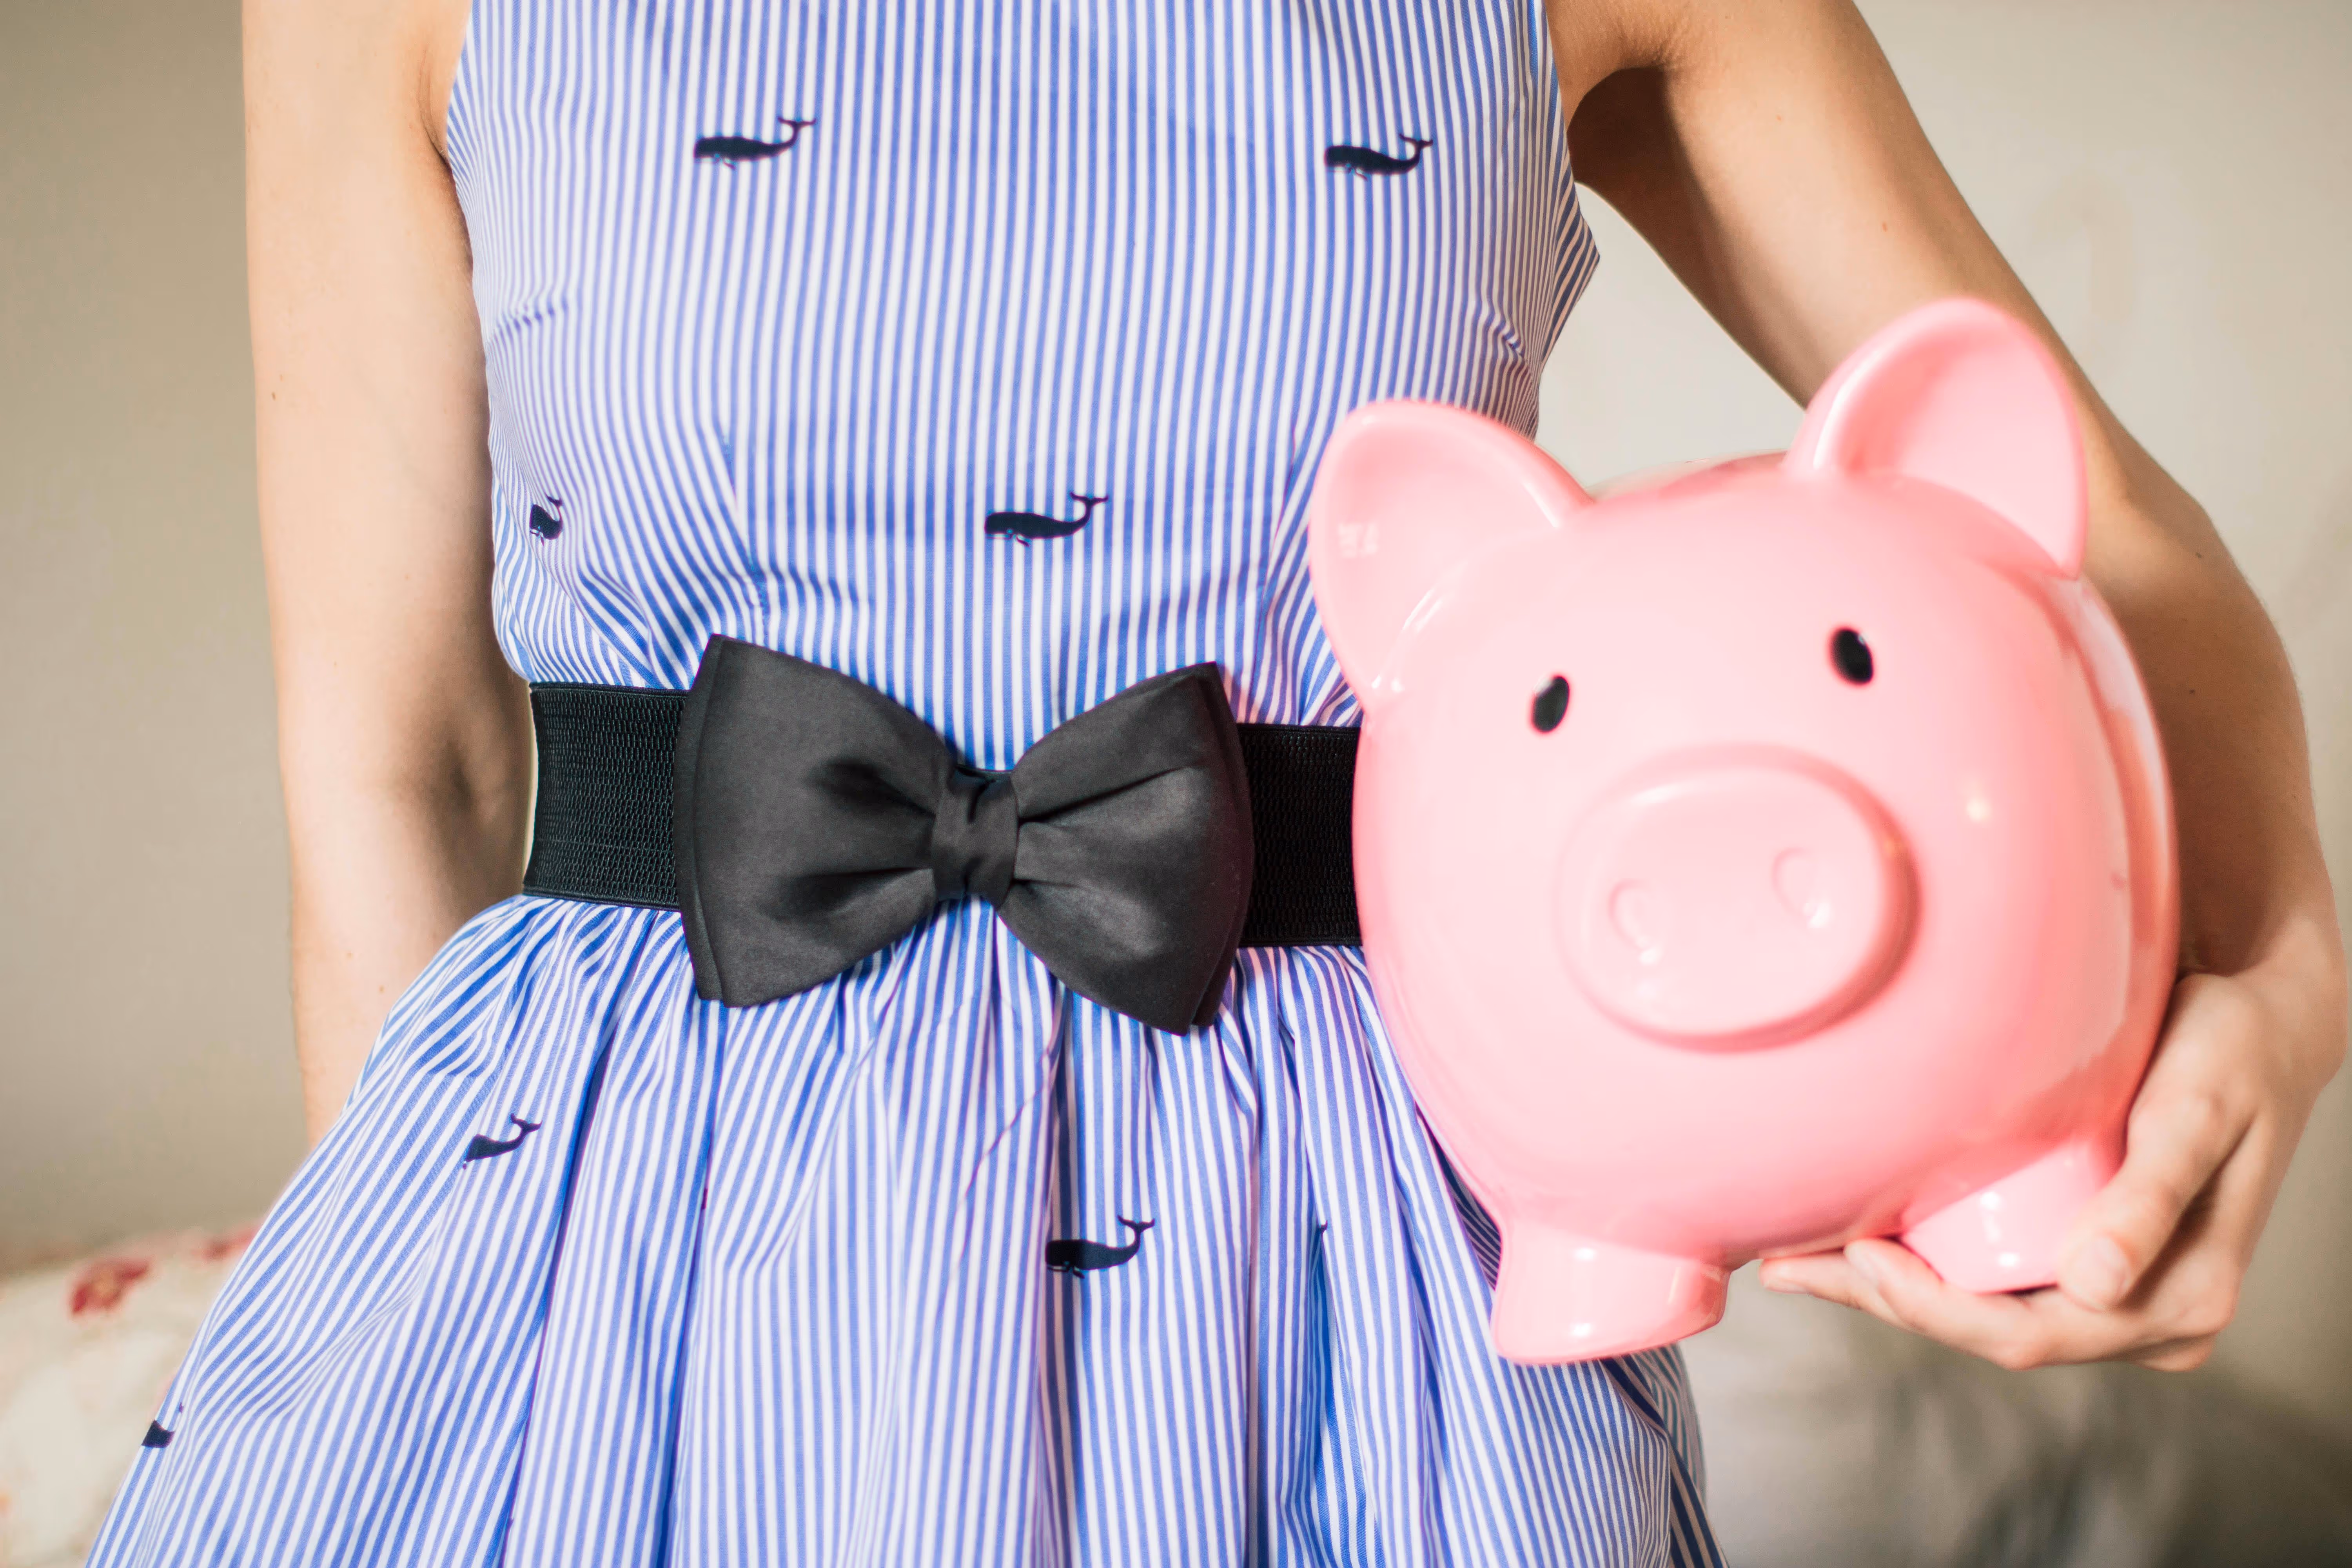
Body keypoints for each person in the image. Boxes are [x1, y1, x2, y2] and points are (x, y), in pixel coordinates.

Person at [93, 0, 2347, 1561]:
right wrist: (441, 1363)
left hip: (1335, 1265)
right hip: (625, 1256)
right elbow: (405, 766)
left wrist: (2278, 982)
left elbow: (2101, 549)